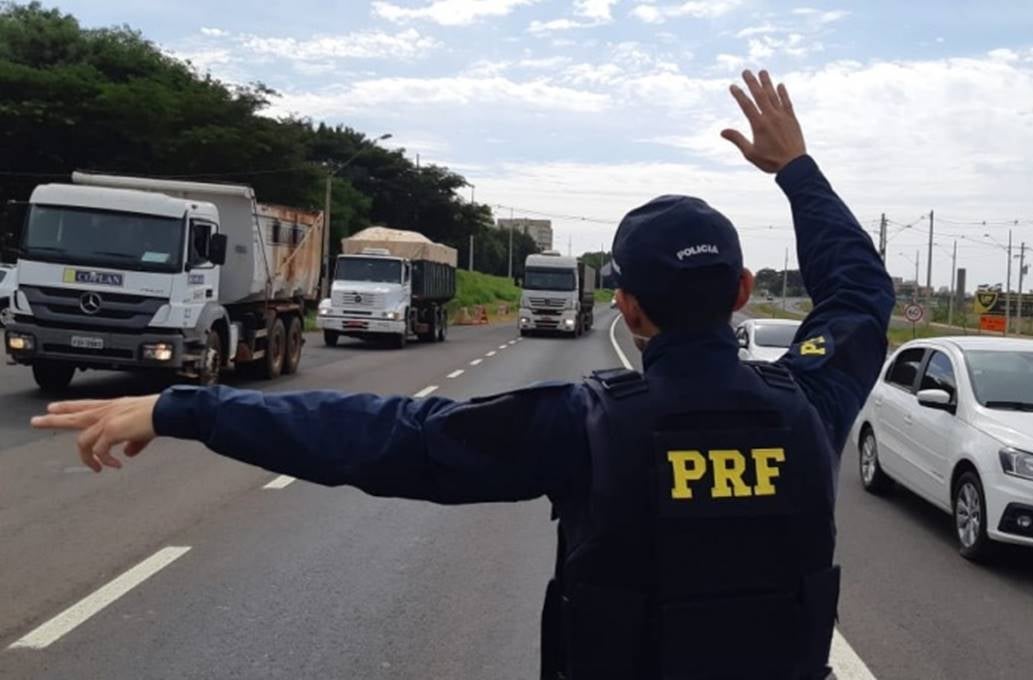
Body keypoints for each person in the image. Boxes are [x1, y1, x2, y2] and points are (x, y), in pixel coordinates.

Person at [33, 70, 895, 679]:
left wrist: (186, 408)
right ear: (744, 293)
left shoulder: (590, 425)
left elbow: (386, 439)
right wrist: (796, 170)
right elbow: (859, 293)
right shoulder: (810, 406)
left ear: (624, 309)